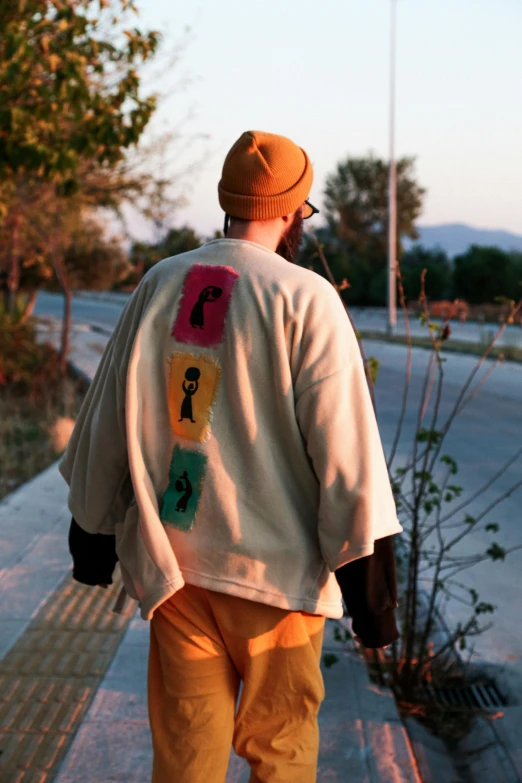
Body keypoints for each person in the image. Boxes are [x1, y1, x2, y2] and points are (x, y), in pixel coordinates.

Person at [62, 130, 403, 783]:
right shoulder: (306, 298)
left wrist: (93, 538)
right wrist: (372, 600)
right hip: (278, 584)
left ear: (227, 201)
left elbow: (107, 420)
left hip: (179, 573)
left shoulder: (160, 283)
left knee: (187, 755)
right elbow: (347, 453)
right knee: (280, 749)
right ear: (296, 211)